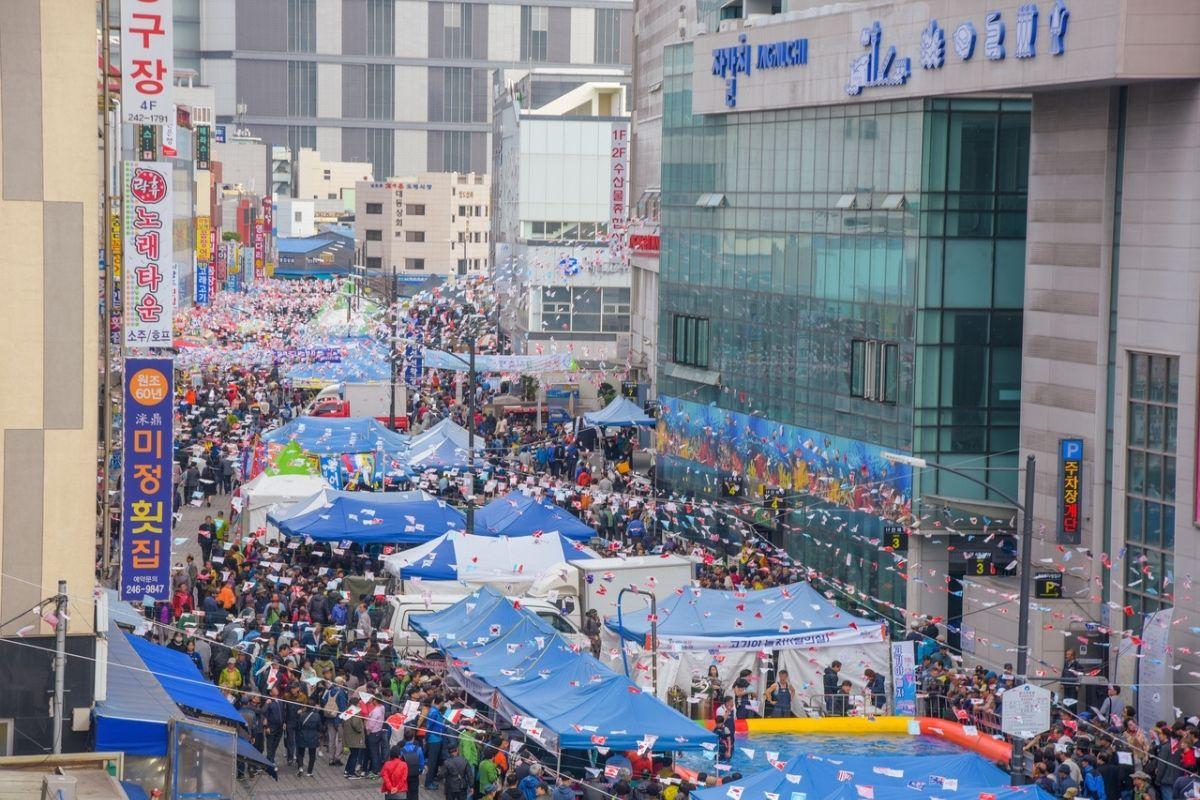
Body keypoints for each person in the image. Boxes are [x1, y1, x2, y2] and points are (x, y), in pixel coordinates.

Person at [296, 701, 322, 778]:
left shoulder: (302, 715)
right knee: (312, 755)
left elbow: (299, 726)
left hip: (302, 735)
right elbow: (320, 727)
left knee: (300, 753)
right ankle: (309, 771)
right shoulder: (317, 716)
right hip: (313, 736)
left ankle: (300, 767)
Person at [424, 697, 446, 789]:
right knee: (432, 763)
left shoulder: (436, 711)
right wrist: (427, 739)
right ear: (440, 703)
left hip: (437, 739)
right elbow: (429, 727)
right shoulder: (433, 712)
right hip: (434, 740)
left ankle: (431, 780)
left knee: (435, 762)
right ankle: (428, 783)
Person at [400, 732, 425, 800]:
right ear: (413, 738)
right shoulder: (418, 749)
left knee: (407, 792)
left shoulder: (402, 750)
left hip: (406, 774)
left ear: (404, 738)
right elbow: (421, 762)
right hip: (415, 774)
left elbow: (400, 763)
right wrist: (420, 771)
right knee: (415, 792)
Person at [345, 705, 368, 779]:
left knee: (352, 755)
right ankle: (351, 773)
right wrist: (360, 729)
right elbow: (355, 724)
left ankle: (347, 770)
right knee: (354, 755)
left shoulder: (348, 713)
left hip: (350, 737)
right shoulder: (355, 715)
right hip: (355, 738)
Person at [715, 696, 736, 762]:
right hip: (723, 737)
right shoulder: (720, 710)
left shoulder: (733, 709)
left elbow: (733, 720)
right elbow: (721, 721)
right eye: (731, 702)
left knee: (729, 758)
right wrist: (728, 711)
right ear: (727, 703)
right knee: (719, 759)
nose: (733, 704)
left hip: (731, 735)